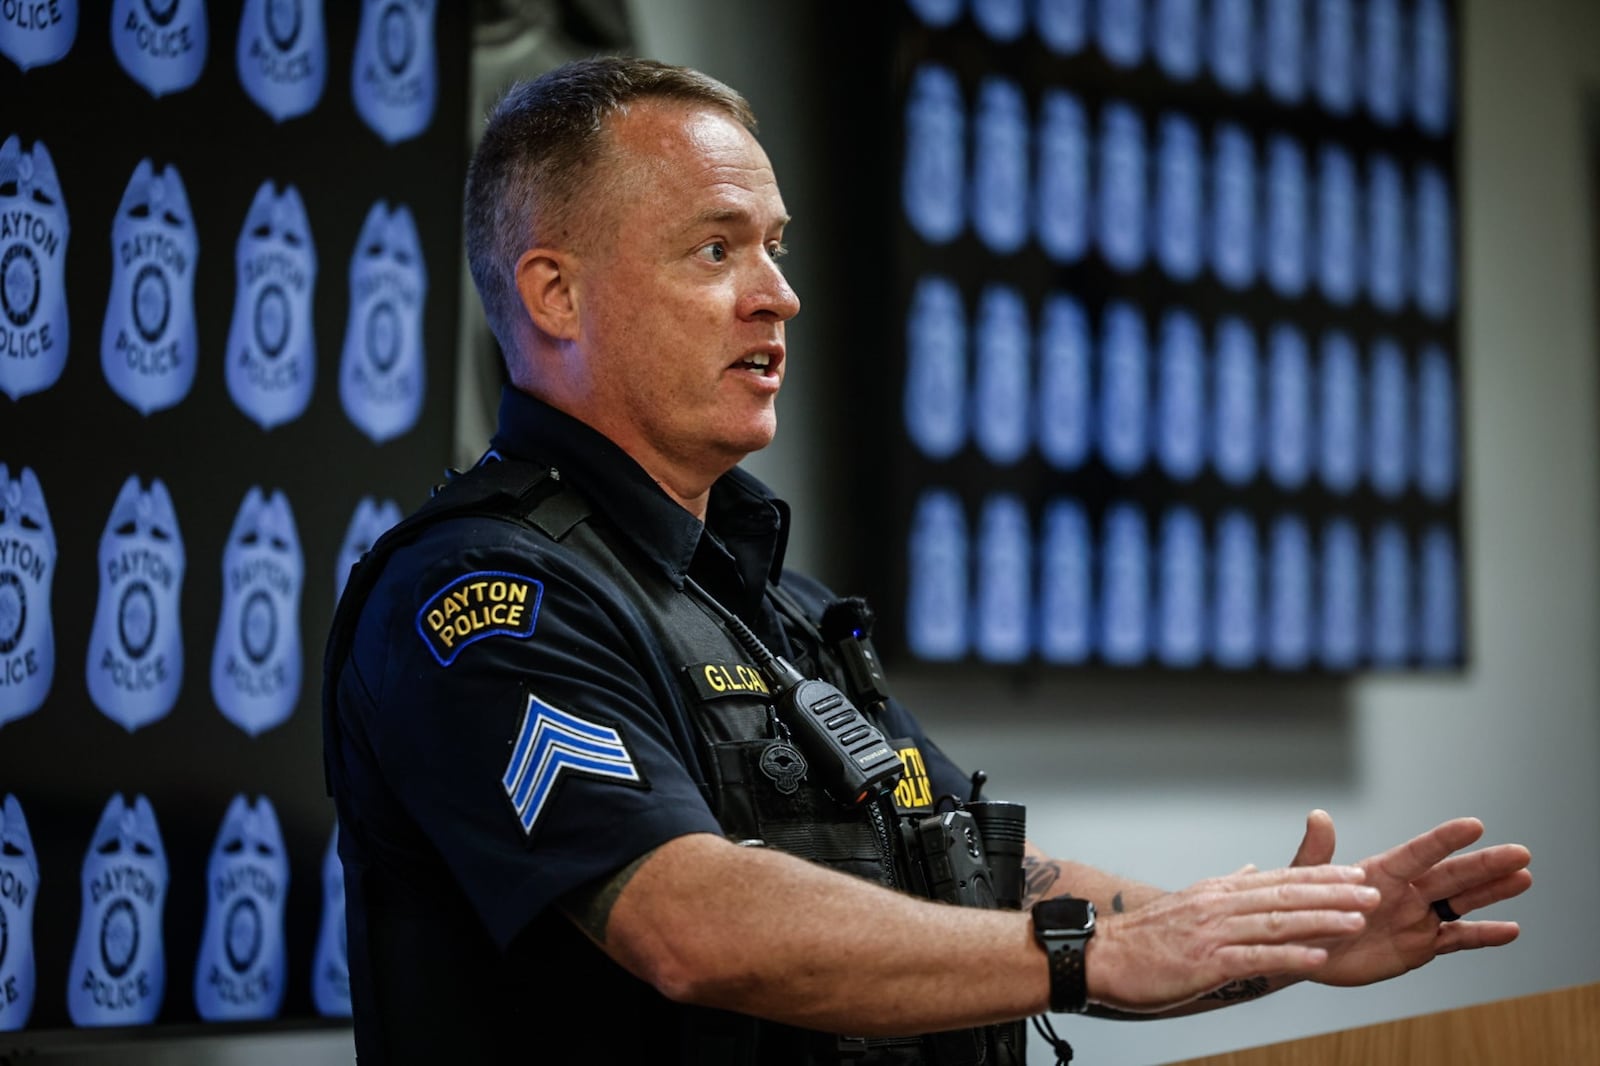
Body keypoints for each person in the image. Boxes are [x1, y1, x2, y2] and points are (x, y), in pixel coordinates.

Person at [321, 55, 1533, 1065]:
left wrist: (1277, 936)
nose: (778, 296)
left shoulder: (764, 602)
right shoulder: (481, 598)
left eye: (777, 246)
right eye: (715, 250)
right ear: (555, 295)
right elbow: (682, 919)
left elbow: (973, 869)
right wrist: (1086, 954)